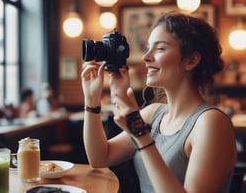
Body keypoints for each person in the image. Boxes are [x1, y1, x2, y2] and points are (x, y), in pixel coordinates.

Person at [81, 12, 237, 193]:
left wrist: (141, 135)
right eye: (148, 48)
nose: (146, 57)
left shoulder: (210, 123)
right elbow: (100, 157)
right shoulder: (154, 113)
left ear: (191, 60)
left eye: (160, 48)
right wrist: (92, 99)